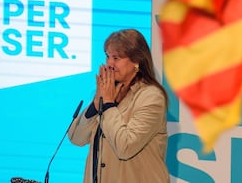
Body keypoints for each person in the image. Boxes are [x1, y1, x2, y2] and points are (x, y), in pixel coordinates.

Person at [68, 29, 170, 183]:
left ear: (137, 61)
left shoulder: (151, 97)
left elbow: (125, 147)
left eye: (116, 58)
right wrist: (95, 106)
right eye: (107, 56)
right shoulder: (108, 91)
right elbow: (76, 138)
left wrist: (108, 105)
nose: (109, 63)